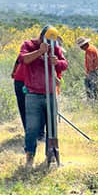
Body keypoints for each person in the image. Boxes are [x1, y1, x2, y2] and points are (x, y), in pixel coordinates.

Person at [14, 29, 68, 165]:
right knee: (32, 128)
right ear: (41, 37)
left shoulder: (54, 48)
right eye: (47, 41)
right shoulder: (28, 44)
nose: (50, 45)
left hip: (50, 94)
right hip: (32, 94)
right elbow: (23, 59)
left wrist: (56, 62)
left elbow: (64, 64)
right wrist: (40, 52)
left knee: (52, 127)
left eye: (52, 42)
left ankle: (51, 156)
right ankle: (29, 158)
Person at [11, 54, 26, 132]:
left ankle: (39, 132)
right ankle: (28, 131)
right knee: (23, 106)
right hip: (20, 81)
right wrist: (14, 72)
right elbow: (18, 61)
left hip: (34, 82)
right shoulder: (28, 47)